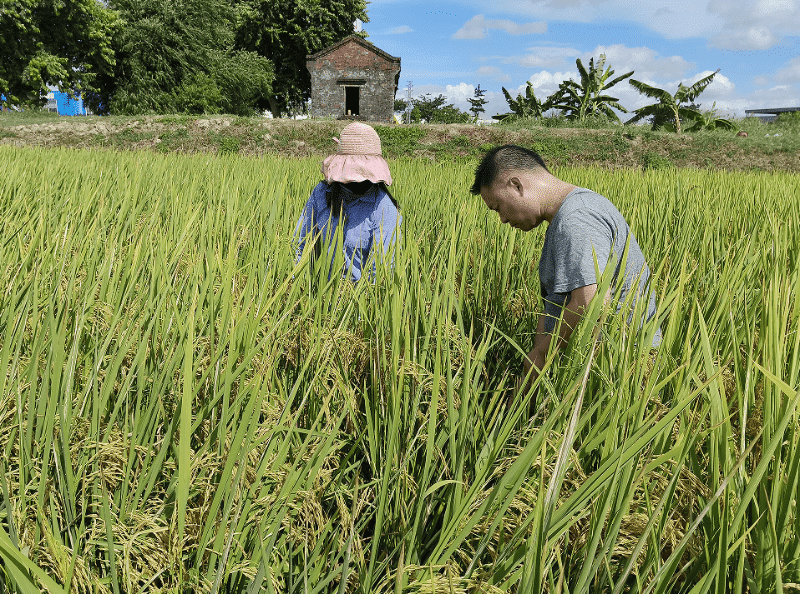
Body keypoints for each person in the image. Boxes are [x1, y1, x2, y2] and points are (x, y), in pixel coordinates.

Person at [471, 144, 661, 388]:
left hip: (617, 370)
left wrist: (542, 354)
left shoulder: (577, 218)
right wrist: (536, 358)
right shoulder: (568, 215)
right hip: (599, 365)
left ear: (516, 185)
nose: (503, 219)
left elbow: (590, 301)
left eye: (498, 207)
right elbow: (555, 302)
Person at [294, 122, 401, 281]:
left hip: (358, 299)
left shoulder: (384, 208)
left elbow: (380, 272)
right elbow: (301, 243)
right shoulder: (322, 193)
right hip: (319, 294)